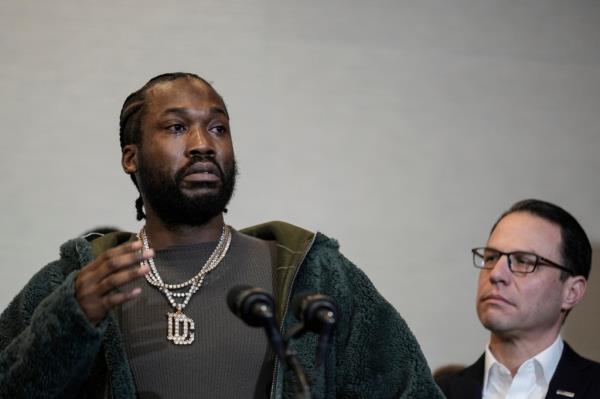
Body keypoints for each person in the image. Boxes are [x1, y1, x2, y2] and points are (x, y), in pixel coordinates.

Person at [0, 72, 443, 398]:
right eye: (177, 128)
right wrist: (69, 321)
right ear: (130, 158)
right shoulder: (79, 282)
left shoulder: (315, 275)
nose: (202, 144)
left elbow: (411, 391)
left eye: (218, 128)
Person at [437, 199, 600, 399]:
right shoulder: (434, 392)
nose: (496, 274)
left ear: (571, 292)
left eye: (523, 261)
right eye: (491, 257)